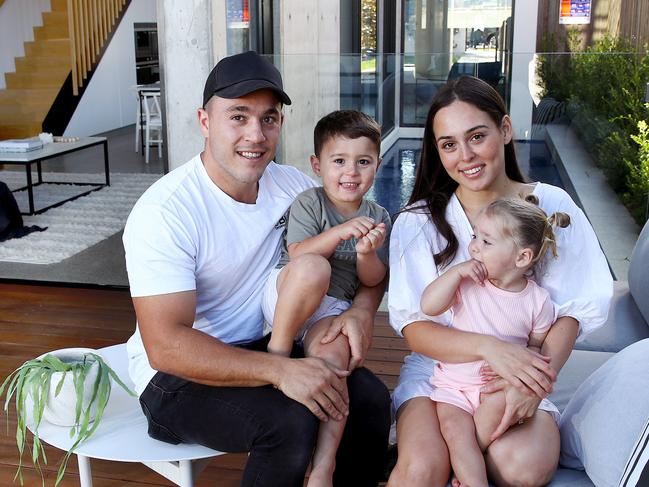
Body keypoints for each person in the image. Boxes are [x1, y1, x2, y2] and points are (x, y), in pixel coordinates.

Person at [123, 51, 390, 487]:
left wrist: (361, 310)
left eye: (269, 118)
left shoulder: (295, 188)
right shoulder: (166, 211)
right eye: (238, 116)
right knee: (289, 423)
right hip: (177, 379)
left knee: (371, 401)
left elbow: (366, 255)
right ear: (204, 121)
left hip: (268, 344)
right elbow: (165, 346)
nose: (256, 134)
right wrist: (281, 370)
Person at [386, 75, 612, 487]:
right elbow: (416, 328)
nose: (465, 155)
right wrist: (488, 348)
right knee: (422, 470)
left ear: (505, 130)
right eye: (449, 144)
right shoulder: (417, 222)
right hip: (442, 373)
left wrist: (534, 381)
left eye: (477, 136)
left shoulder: (550, 207)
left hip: (520, 367)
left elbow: (572, 312)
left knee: (523, 466)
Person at [262, 109, 391, 487]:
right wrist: (342, 232)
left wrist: (367, 253)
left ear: (377, 165)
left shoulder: (379, 214)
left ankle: (324, 464)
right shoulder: (309, 202)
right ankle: (279, 354)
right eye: (339, 161)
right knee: (316, 267)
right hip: (289, 294)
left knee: (338, 363)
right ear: (318, 165)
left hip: (331, 309)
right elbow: (300, 252)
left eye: (363, 162)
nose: (351, 172)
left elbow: (373, 280)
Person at [420, 196, 570, 487]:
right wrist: (454, 273)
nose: (474, 246)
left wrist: (516, 373)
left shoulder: (537, 302)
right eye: (475, 235)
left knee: (486, 419)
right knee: (454, 430)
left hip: (496, 389)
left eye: (486, 242)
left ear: (522, 258)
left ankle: (464, 473)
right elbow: (429, 306)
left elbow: (535, 348)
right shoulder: (467, 282)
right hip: (454, 386)